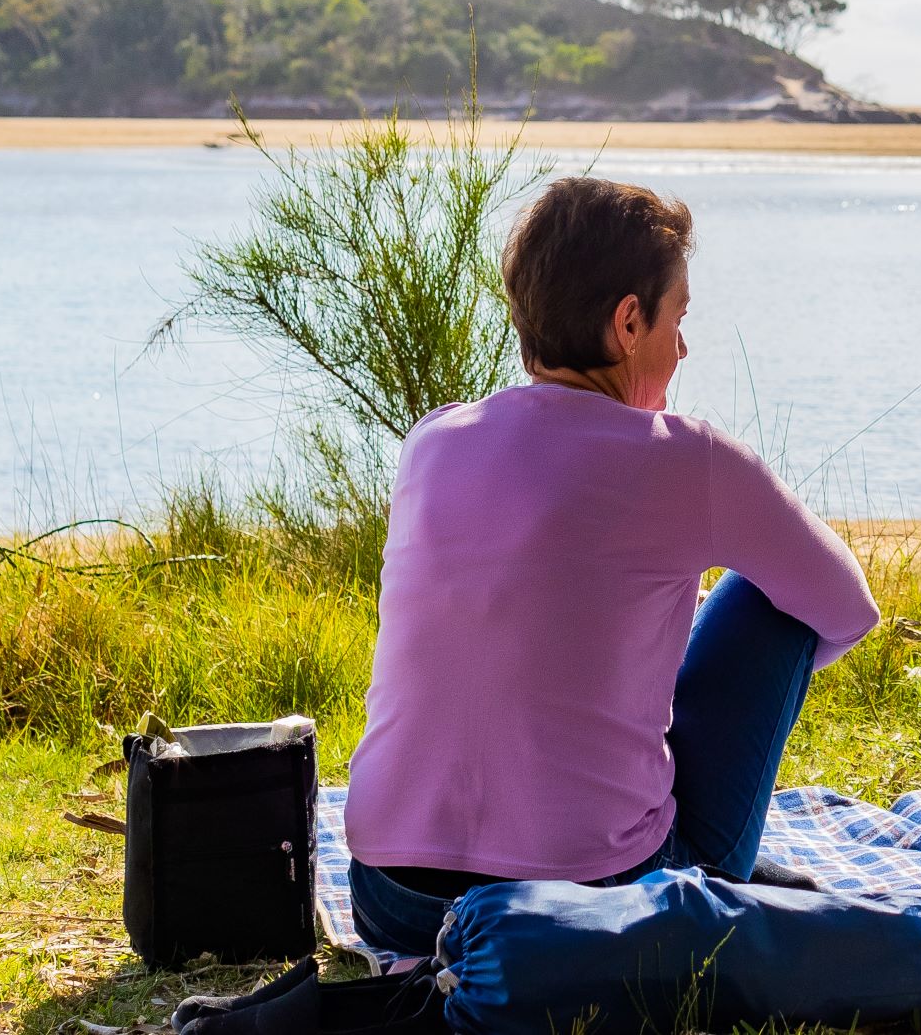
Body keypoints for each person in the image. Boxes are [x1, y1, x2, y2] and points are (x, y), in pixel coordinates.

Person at [342, 176, 881, 958]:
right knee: (770, 601)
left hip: (391, 897)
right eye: (678, 318)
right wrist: (700, 691)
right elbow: (844, 606)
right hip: (593, 905)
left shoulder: (433, 439)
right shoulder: (686, 457)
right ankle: (705, 868)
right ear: (629, 321)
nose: (682, 347)